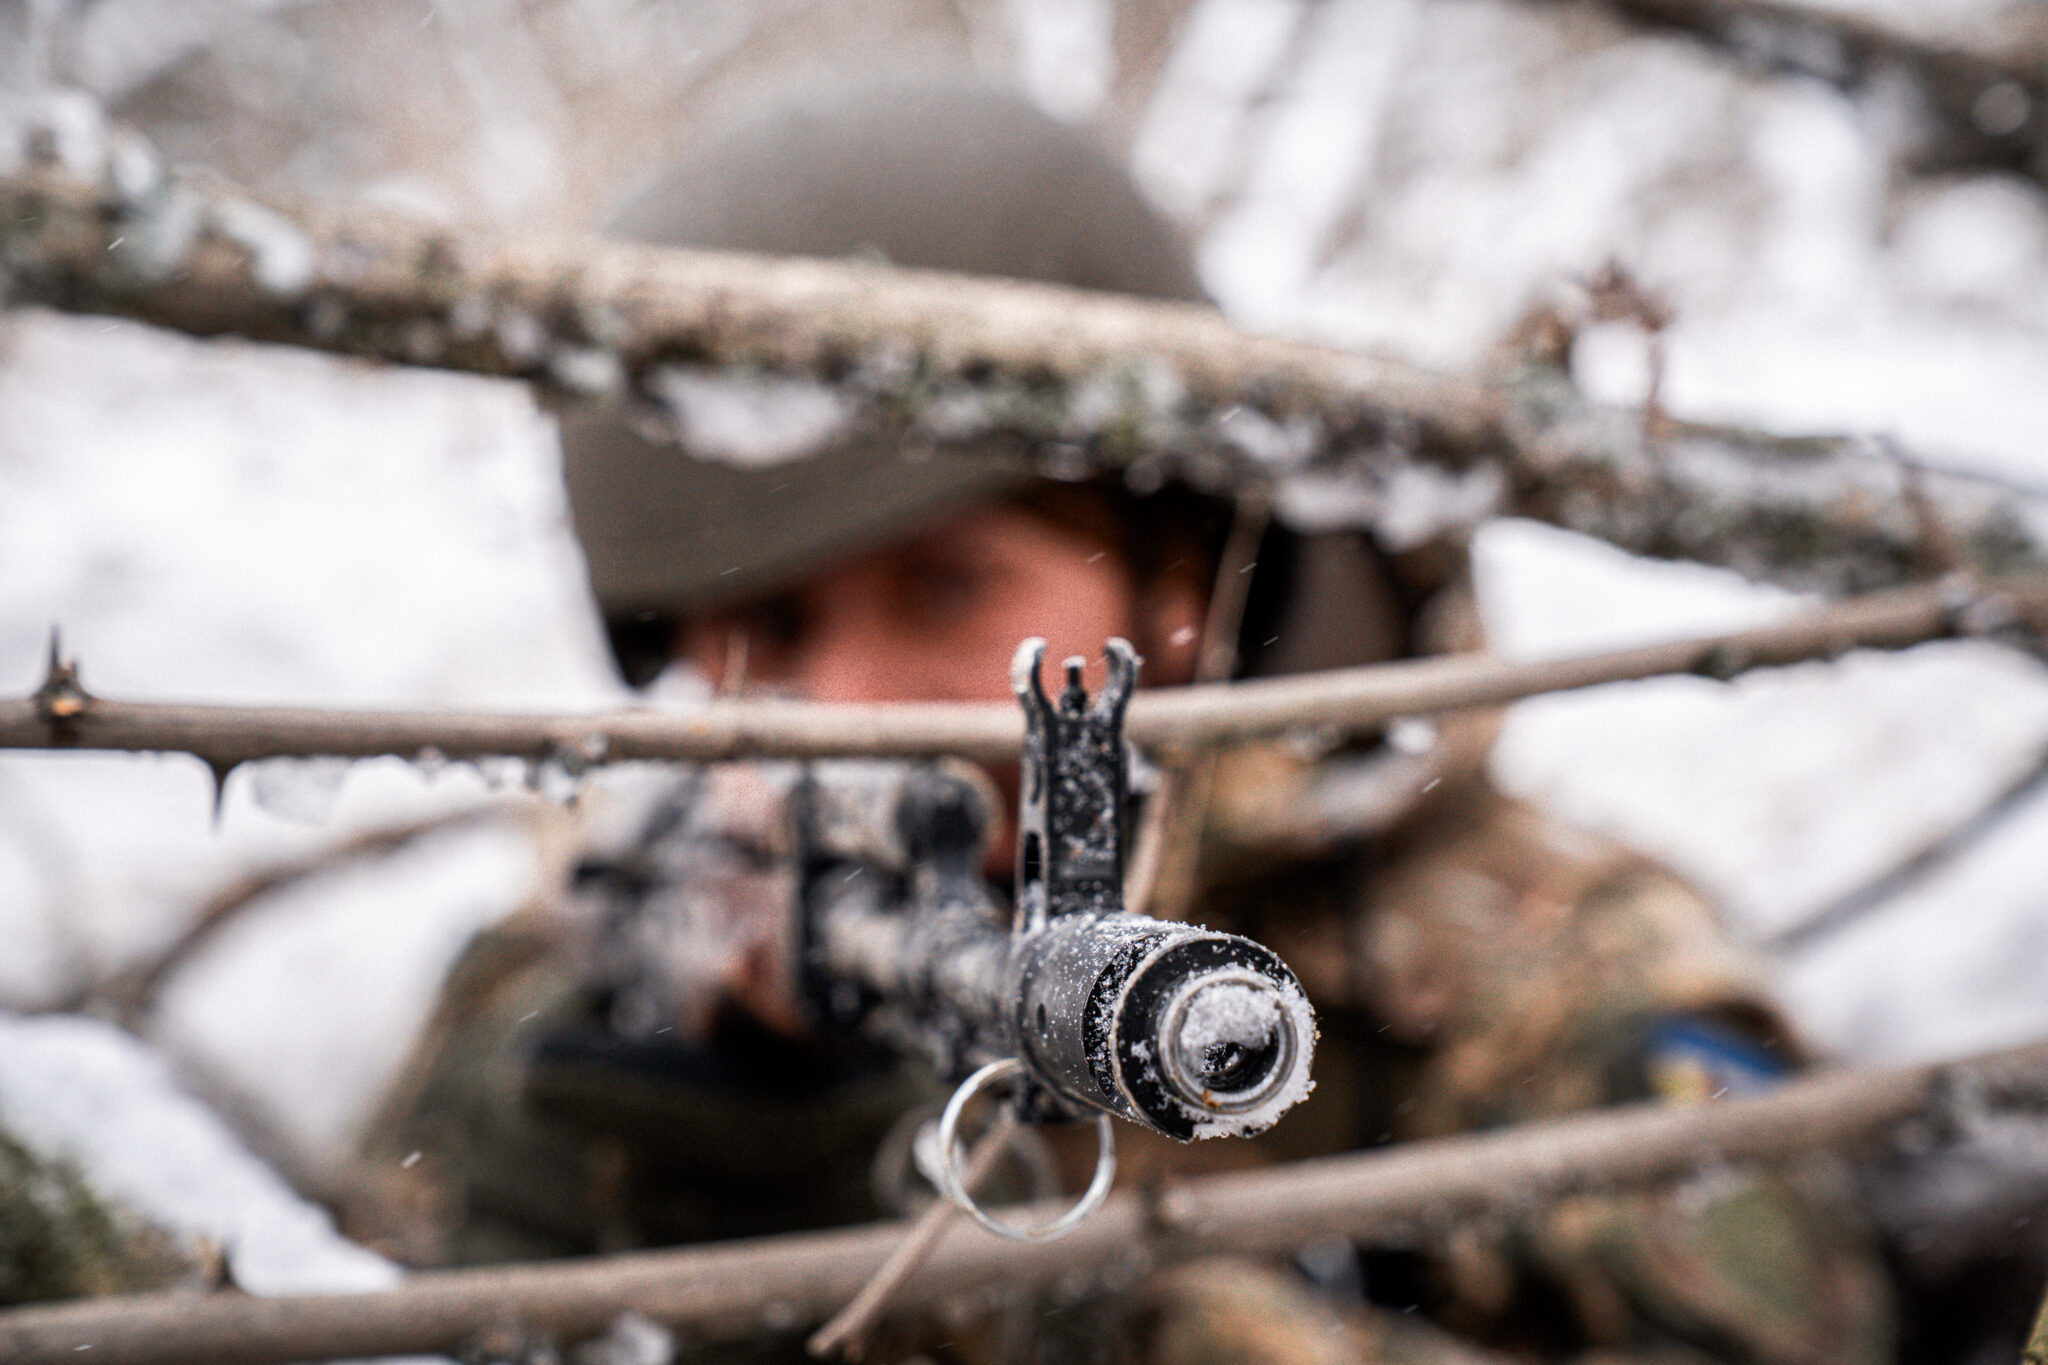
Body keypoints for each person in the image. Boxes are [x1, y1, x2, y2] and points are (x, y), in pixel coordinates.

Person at [361, 78, 1894, 1364]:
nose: (852, 709)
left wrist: (1109, 1321)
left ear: (1174, 569)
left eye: (950, 587)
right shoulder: (596, 959)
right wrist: (598, 1165)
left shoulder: (1539, 969)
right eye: (769, 629)